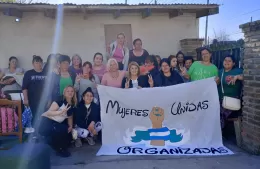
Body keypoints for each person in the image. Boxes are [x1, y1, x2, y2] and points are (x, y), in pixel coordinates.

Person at [39, 85, 77, 157]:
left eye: (72, 91)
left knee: (67, 133)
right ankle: (58, 149)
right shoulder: (59, 101)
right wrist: (60, 112)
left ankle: (55, 144)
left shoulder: (72, 104)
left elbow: (70, 117)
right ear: (64, 93)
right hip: (46, 122)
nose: (70, 93)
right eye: (68, 91)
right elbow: (49, 112)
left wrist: (70, 126)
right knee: (61, 129)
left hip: (56, 123)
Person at [218, 55, 243, 129]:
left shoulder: (238, 71)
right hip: (220, 100)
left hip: (232, 100)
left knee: (220, 116)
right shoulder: (220, 71)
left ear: (234, 63)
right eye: (225, 60)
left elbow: (247, 76)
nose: (227, 62)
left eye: (229, 61)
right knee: (216, 114)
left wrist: (237, 77)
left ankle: (219, 134)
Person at [22, 56, 47, 130]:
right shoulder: (28, 73)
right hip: (32, 99)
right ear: (33, 64)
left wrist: (49, 99)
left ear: (42, 63)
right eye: (36, 62)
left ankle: (42, 132)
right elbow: (24, 87)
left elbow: (50, 88)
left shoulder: (47, 73)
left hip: (44, 100)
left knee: (43, 117)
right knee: (33, 117)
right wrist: (26, 99)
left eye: (40, 62)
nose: (39, 64)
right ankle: (33, 133)